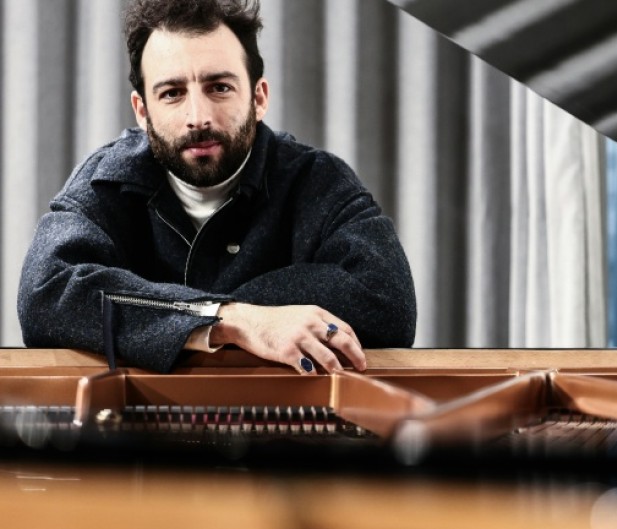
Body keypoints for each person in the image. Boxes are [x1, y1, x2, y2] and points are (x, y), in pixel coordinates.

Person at [16, 0, 416, 375]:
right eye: (172, 94)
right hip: (142, 435)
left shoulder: (318, 180)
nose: (198, 117)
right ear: (143, 111)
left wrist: (175, 314)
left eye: (219, 87)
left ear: (259, 98)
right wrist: (232, 319)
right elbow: (45, 294)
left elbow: (387, 302)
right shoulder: (103, 181)